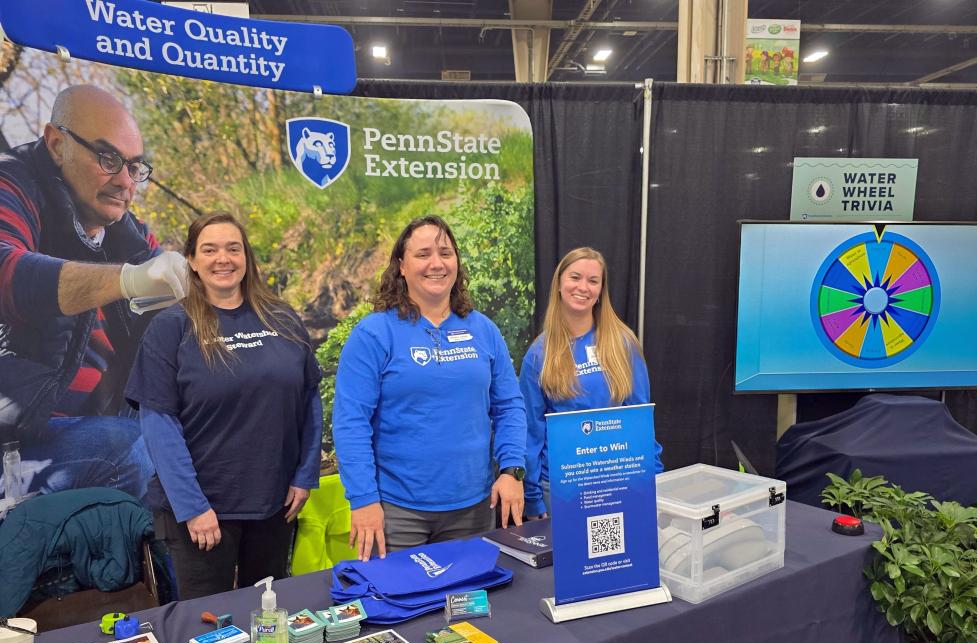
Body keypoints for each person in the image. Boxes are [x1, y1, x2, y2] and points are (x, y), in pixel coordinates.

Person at [0, 84, 189, 500]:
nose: (125, 181)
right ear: (56, 144)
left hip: (109, 426)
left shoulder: (133, 235)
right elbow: (6, 272)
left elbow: (184, 339)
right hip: (14, 444)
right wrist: (127, 280)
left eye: (134, 166)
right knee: (133, 448)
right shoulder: (11, 182)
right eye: (108, 158)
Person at [125, 212, 321, 600]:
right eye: (209, 250)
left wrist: (304, 474)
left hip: (274, 504)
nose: (223, 259)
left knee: (267, 617)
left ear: (246, 257)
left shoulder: (282, 318)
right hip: (204, 511)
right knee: (207, 630)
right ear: (193, 262)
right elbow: (159, 423)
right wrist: (193, 507)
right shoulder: (172, 327)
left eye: (233, 248)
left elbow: (309, 399)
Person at [333, 215, 526, 561]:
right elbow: (351, 422)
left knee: (468, 610)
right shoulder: (374, 333)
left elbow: (510, 406)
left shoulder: (483, 330)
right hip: (396, 513)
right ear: (401, 267)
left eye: (445, 253)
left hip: (473, 510)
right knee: (399, 611)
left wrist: (512, 470)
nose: (436, 263)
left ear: (457, 264)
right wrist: (363, 499)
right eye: (423, 254)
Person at [518, 247, 663, 517]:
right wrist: (532, 497)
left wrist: (653, 479)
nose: (583, 287)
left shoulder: (623, 344)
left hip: (619, 481)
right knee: (565, 560)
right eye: (575, 277)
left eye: (593, 281)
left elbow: (640, 420)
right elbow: (530, 433)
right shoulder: (539, 354)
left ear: (600, 292)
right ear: (559, 284)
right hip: (561, 487)